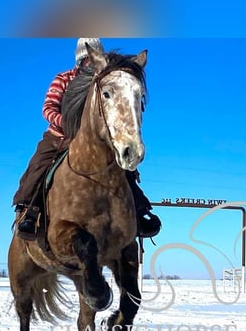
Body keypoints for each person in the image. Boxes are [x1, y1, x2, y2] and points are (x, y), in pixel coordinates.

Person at [13, 37, 161, 240]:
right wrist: (68, 125)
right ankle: (29, 210)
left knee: (124, 169)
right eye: (87, 60)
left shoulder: (105, 82)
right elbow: (48, 108)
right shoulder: (64, 78)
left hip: (95, 142)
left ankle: (139, 210)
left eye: (96, 59)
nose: (91, 64)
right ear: (81, 59)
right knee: (40, 163)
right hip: (61, 136)